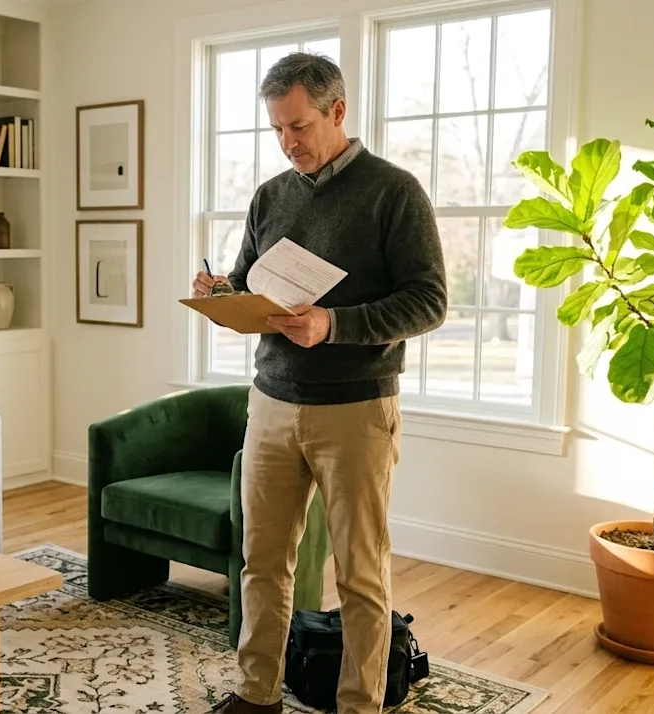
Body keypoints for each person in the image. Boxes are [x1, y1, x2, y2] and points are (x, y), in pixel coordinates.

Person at [193, 52, 447, 713]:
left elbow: (429, 301)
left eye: (299, 126)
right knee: (262, 562)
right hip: (271, 404)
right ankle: (258, 694)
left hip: (356, 411)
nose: (288, 142)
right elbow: (250, 283)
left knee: (360, 574)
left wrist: (333, 324)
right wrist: (221, 292)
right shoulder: (270, 196)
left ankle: (361, 705)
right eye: (277, 129)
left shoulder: (394, 192)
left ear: (337, 111)